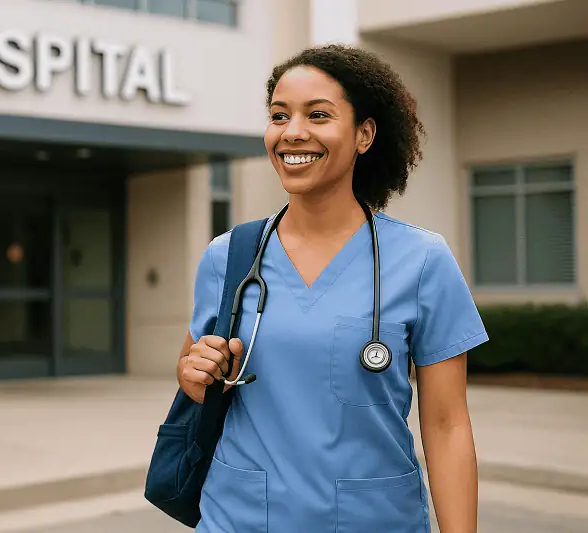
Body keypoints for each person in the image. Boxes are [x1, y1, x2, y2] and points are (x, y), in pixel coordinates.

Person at [176, 44, 488, 533]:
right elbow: (193, 373)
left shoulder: (422, 260)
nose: (292, 132)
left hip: (374, 520)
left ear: (364, 134)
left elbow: (447, 427)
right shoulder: (229, 256)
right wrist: (194, 374)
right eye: (279, 116)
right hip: (241, 517)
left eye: (317, 115)